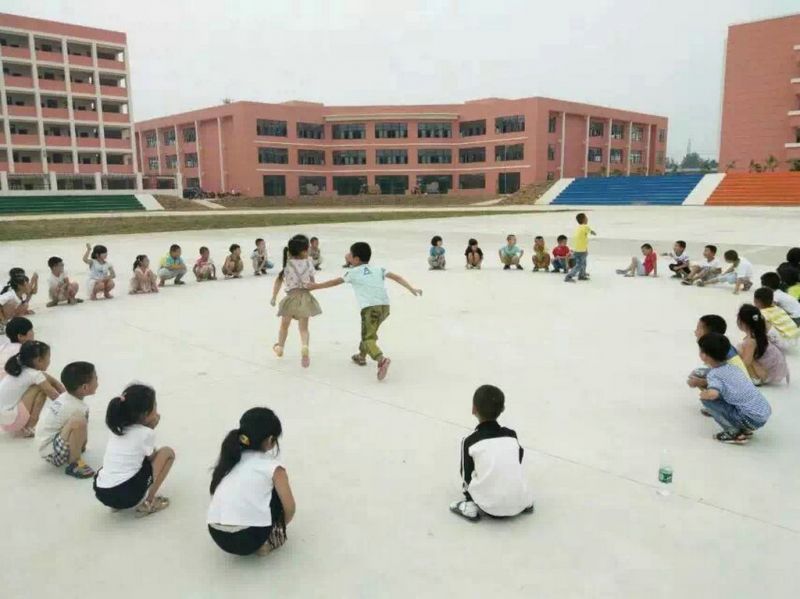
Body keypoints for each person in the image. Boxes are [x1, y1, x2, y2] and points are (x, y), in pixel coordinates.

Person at [306, 242, 422, 381]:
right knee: (369, 332)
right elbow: (397, 277)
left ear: (356, 259)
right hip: (384, 307)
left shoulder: (352, 272)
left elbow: (334, 282)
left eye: (350, 254)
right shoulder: (378, 268)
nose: (347, 255)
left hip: (370, 309)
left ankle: (381, 359)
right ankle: (361, 356)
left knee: (368, 338)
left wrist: (315, 286)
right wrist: (411, 288)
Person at [207, 407, 296, 556]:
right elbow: (290, 507)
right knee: (276, 495)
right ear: (270, 440)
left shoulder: (231, 457)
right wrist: (278, 527)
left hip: (217, 534)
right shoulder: (274, 468)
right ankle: (270, 541)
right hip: (249, 540)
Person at [449, 384, 534, 521]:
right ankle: (522, 500)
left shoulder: (470, 441)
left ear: (473, 409)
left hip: (488, 506)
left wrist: (470, 493)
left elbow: (466, 474)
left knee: (471, 477)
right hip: (520, 502)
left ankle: (470, 505)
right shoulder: (511, 435)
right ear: (502, 409)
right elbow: (518, 459)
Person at [94, 384, 175, 516]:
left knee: (122, 463)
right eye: (155, 406)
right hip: (128, 493)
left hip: (102, 491)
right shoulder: (145, 433)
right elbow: (151, 457)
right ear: (145, 414)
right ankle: (148, 502)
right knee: (168, 453)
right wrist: (151, 429)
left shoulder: (117, 429)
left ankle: (116, 506)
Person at [695, 333, 771, 444]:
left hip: (749, 419)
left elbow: (712, 394)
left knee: (707, 400)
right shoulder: (734, 367)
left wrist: (704, 394)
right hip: (763, 413)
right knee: (728, 394)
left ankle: (733, 432)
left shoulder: (715, 374)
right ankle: (744, 429)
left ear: (704, 355)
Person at [35, 361, 98, 478]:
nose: (97, 382)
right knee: (78, 421)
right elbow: (81, 426)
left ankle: (75, 452)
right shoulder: (77, 407)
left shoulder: (65, 397)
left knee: (78, 420)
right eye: (95, 379)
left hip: (46, 443)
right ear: (85, 387)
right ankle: (74, 463)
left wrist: (81, 446)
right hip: (51, 451)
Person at [269, 235, 321, 368]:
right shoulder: (309, 263)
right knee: (303, 329)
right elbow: (312, 283)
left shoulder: (288, 265)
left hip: (290, 298)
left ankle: (280, 347)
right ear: (303, 251)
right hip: (305, 298)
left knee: (284, 326)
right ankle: (304, 347)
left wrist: (274, 297)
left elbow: (279, 281)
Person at [0, 341, 62, 438]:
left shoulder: (20, 369)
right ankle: (28, 427)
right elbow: (53, 395)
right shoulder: (34, 374)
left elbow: (51, 381)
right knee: (41, 389)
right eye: (48, 358)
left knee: (43, 380)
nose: (49, 361)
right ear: (39, 360)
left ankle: (24, 426)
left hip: (4, 422)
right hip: (14, 420)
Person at [687, 315, 750, 404]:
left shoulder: (715, 351)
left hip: (737, 391)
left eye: (698, 329)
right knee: (698, 373)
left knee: (698, 377)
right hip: (741, 385)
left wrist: (701, 382)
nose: (695, 332)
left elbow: (724, 379)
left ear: (708, 334)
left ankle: (720, 404)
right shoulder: (722, 345)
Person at [736, 304, 789, 385]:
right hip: (773, 369)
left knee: (740, 352)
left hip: (765, 374)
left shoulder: (750, 341)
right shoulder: (759, 332)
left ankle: (755, 378)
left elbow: (746, 362)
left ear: (743, 323)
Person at [564, 213, 596, 283]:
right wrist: (593, 232)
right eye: (586, 217)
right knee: (580, 264)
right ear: (584, 219)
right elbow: (590, 231)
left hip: (578, 249)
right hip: (581, 250)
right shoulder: (585, 226)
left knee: (583, 263)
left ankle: (582, 275)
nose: (587, 219)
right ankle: (569, 276)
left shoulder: (578, 227)